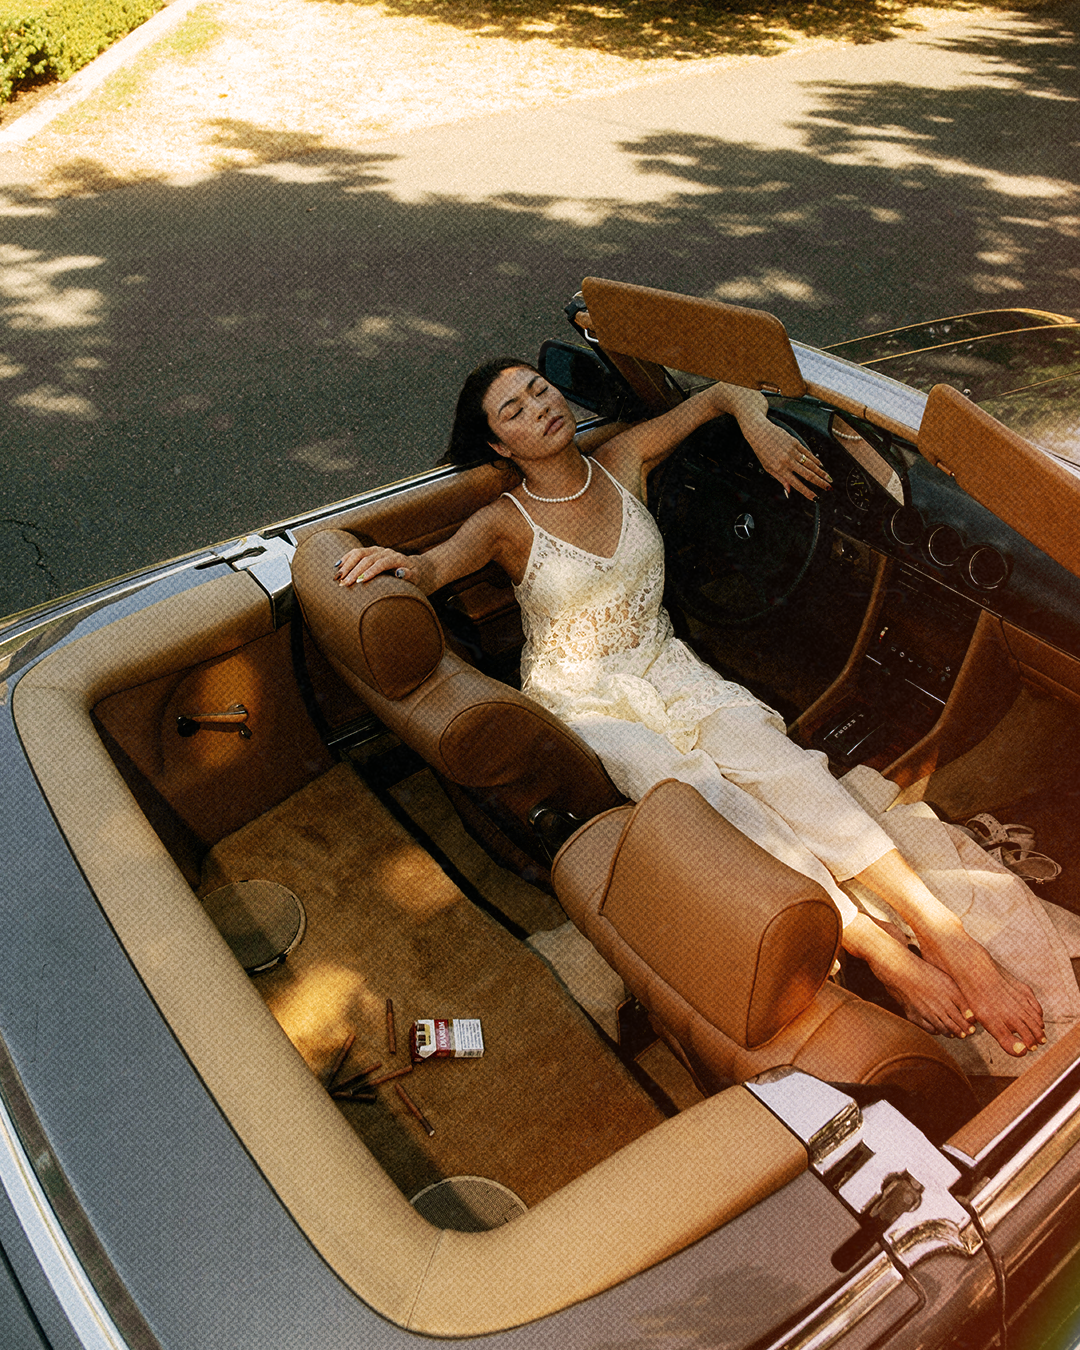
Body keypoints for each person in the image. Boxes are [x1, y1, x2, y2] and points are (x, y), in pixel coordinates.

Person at [334, 357, 1045, 1059]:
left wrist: (761, 431)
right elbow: (434, 566)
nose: (539, 406)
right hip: (584, 696)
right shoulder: (503, 522)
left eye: (538, 388)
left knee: (787, 770)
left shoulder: (622, 457)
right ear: (499, 446)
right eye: (513, 410)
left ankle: (950, 938)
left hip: (667, 668)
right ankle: (882, 951)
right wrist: (397, 566)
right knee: (708, 797)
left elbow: (722, 390)